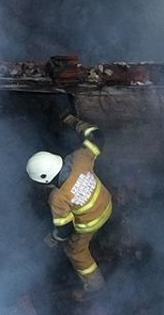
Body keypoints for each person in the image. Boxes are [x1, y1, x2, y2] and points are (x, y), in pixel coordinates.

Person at [27, 114, 111, 292]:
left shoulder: (58, 198)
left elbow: (65, 229)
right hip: (107, 202)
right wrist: (74, 122)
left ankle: (95, 286)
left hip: (90, 224)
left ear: (45, 180)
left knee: (76, 252)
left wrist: (53, 238)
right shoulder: (79, 159)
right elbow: (97, 136)